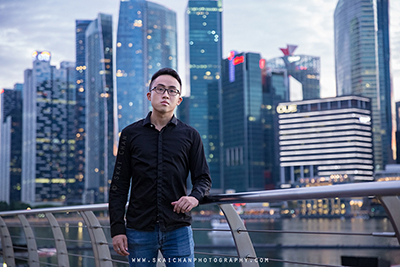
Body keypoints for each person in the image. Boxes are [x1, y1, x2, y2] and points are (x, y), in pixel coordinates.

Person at [109, 67, 212, 266]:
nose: (166, 94)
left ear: (179, 99)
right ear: (149, 95)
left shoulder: (191, 135)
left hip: (178, 229)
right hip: (138, 230)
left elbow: (203, 178)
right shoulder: (130, 134)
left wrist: (194, 197)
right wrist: (117, 229)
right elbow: (119, 185)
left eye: (172, 90)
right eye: (160, 89)